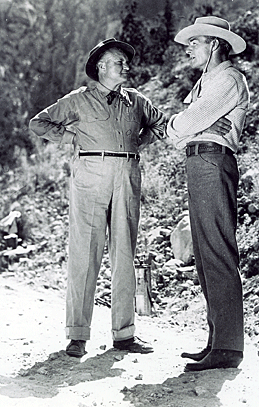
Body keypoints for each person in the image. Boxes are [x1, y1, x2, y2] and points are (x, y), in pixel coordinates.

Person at [29, 38, 166, 357]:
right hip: (89, 173)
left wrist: (137, 143)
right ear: (102, 66)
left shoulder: (137, 101)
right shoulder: (78, 99)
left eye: (127, 62)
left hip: (127, 175)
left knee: (124, 254)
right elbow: (39, 123)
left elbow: (158, 125)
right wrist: (68, 136)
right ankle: (77, 335)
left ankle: (124, 335)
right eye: (120, 61)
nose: (126, 66)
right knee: (84, 251)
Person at [166, 16, 250, 371]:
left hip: (213, 162)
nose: (189, 49)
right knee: (204, 253)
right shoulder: (208, 82)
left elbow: (182, 126)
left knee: (216, 250)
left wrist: (185, 124)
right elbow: (183, 130)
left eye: (195, 42)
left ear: (214, 44)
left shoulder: (229, 79)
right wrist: (190, 124)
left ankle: (229, 346)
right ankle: (218, 341)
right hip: (201, 161)